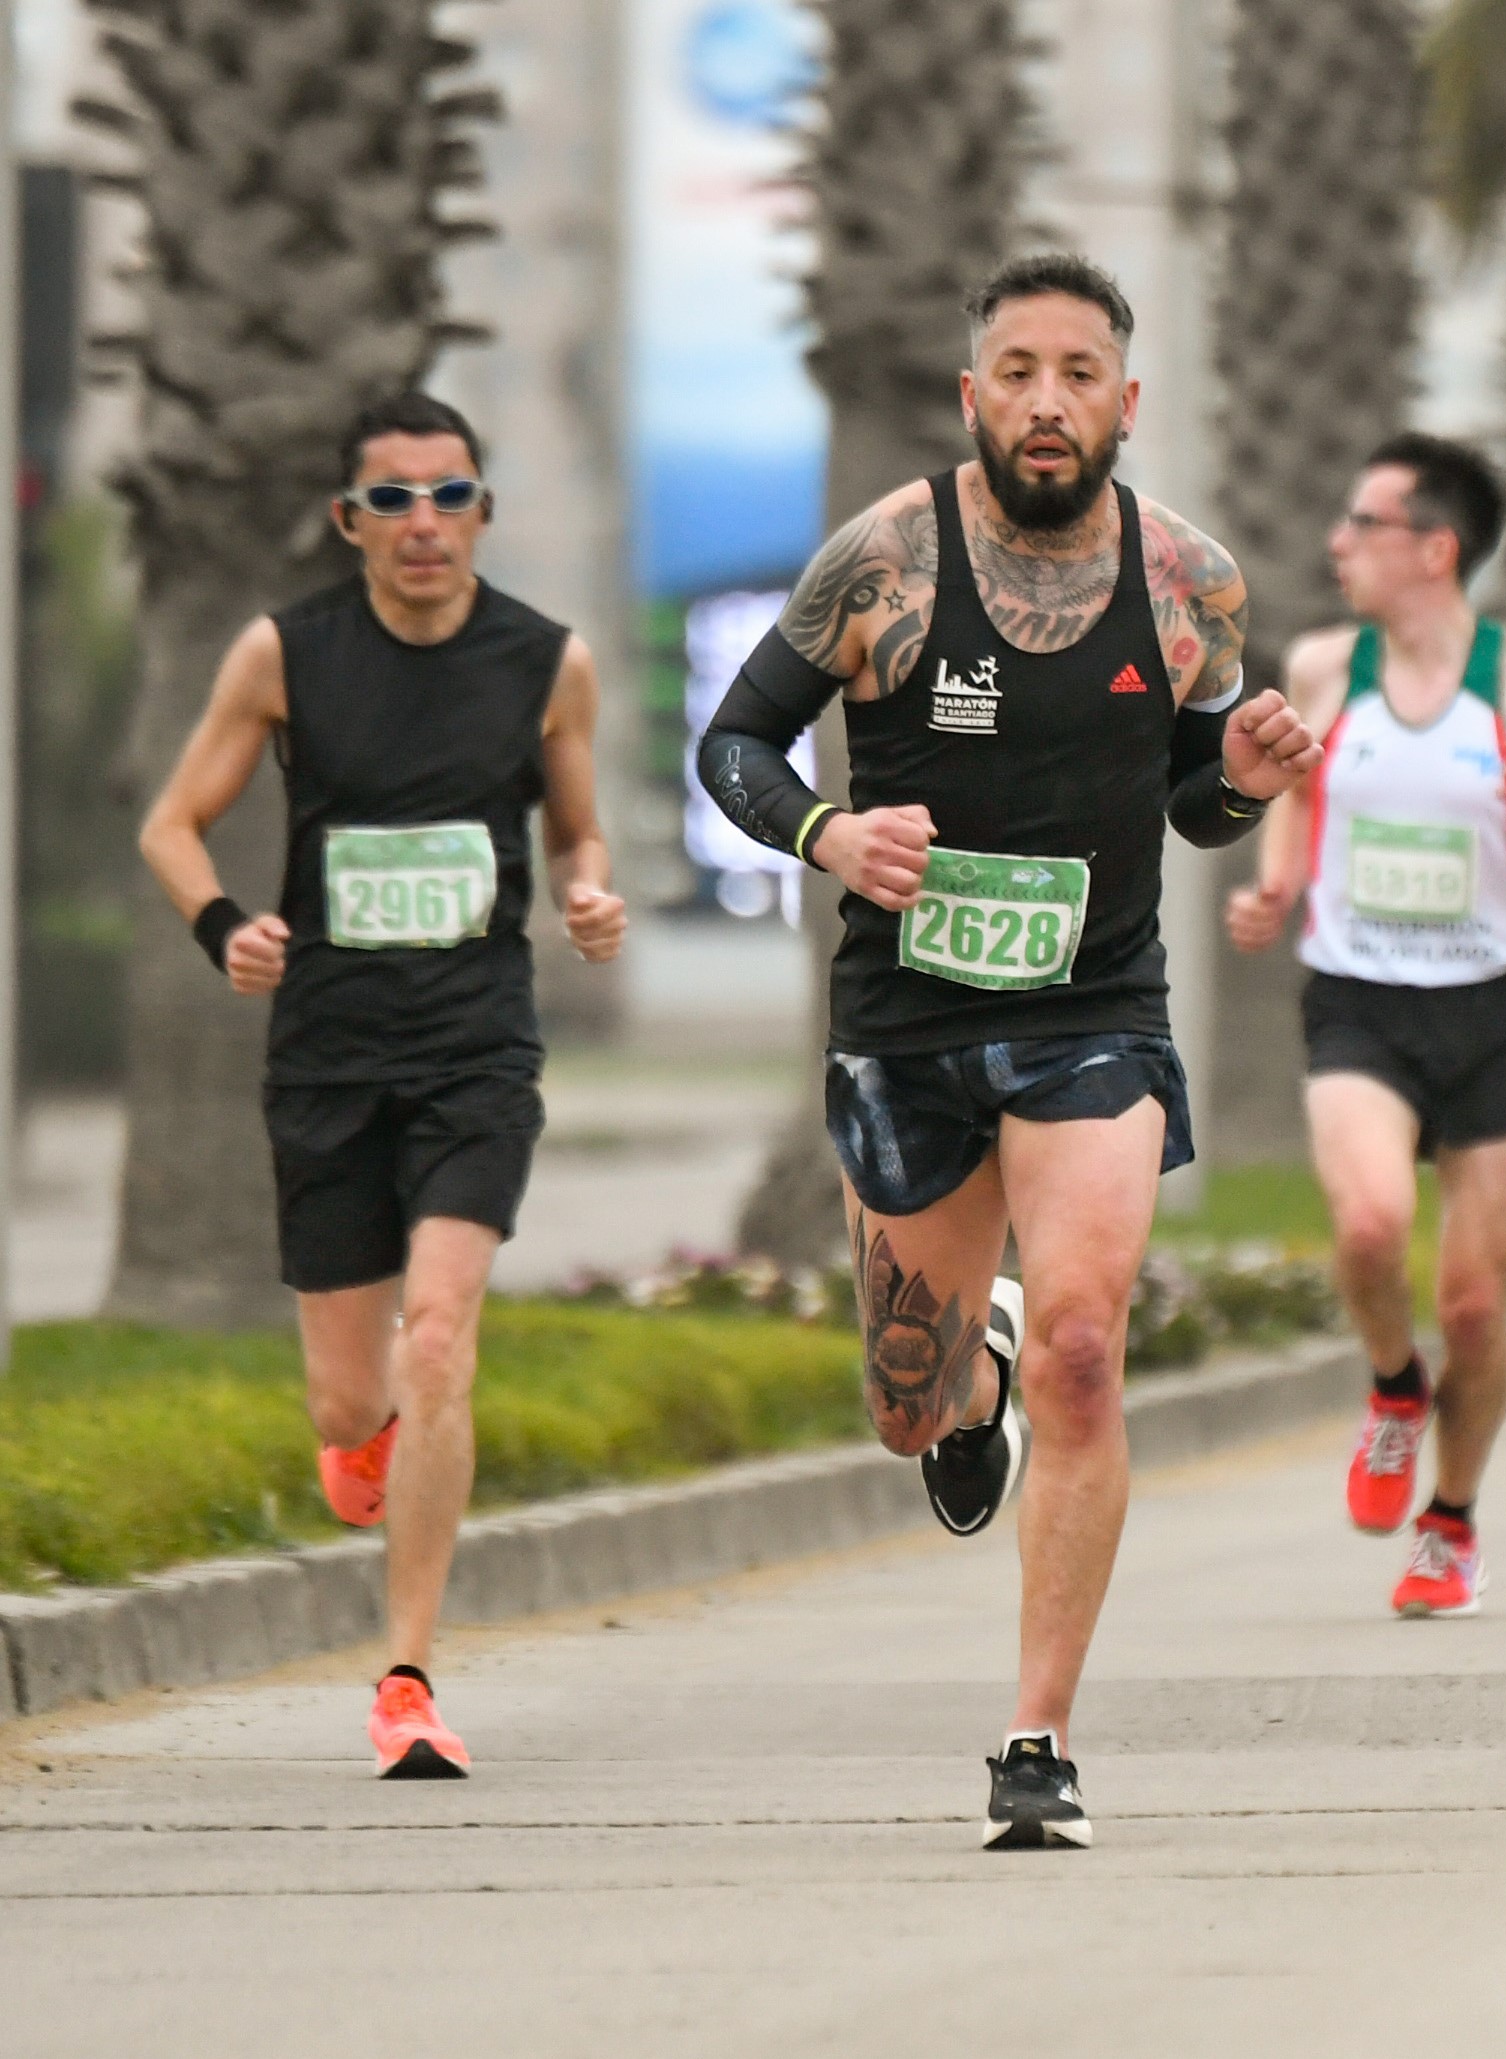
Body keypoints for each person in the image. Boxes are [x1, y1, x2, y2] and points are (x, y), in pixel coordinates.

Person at [695, 254, 1319, 1847]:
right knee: (907, 1406)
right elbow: (734, 743)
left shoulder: (1190, 581)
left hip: (1091, 1012)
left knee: (1090, 1351)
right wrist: (830, 837)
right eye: (1019, 371)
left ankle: (1036, 1733)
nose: (1050, 401)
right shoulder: (884, 559)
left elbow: (1194, 799)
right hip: (905, 1023)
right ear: (973, 396)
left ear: (1127, 399)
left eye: (1080, 371)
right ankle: (972, 1393)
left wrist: (1242, 777)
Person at [136, 394, 629, 1779]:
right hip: (329, 1055)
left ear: (483, 509)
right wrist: (223, 922)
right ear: (349, 518)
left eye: (450, 494)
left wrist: (589, 890)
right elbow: (170, 821)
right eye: (395, 499)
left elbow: (579, 823)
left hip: (477, 1049)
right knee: (348, 1408)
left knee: (438, 1337)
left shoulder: (547, 660)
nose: (425, 522)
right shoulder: (285, 652)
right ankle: (371, 1459)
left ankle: (407, 1677)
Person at [1223, 435, 1506, 1618]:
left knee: (1473, 1304)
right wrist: (1277, 881)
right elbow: (1297, 789)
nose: (1338, 545)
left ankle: (1450, 1522)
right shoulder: (1318, 665)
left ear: (1434, 547)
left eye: (1364, 525)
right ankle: (1395, 1388)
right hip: (1358, 997)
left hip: (1494, 1009)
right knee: (1366, 1226)